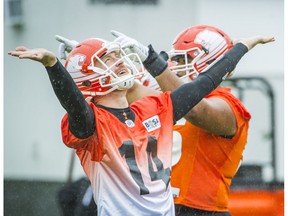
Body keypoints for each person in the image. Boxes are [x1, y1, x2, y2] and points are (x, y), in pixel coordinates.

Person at [8, 33, 274, 215]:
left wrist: (242, 46)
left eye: (115, 56)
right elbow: (77, 106)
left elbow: (202, 87)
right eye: (108, 59)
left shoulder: (152, 109)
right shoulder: (95, 124)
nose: (120, 62)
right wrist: (55, 66)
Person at [110, 26, 275, 216]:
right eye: (176, 59)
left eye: (185, 59)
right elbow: (127, 91)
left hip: (200, 210)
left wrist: (154, 62)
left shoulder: (229, 106)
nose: (175, 66)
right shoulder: (168, 100)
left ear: (214, 63)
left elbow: (195, 109)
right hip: (158, 207)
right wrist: (89, 61)